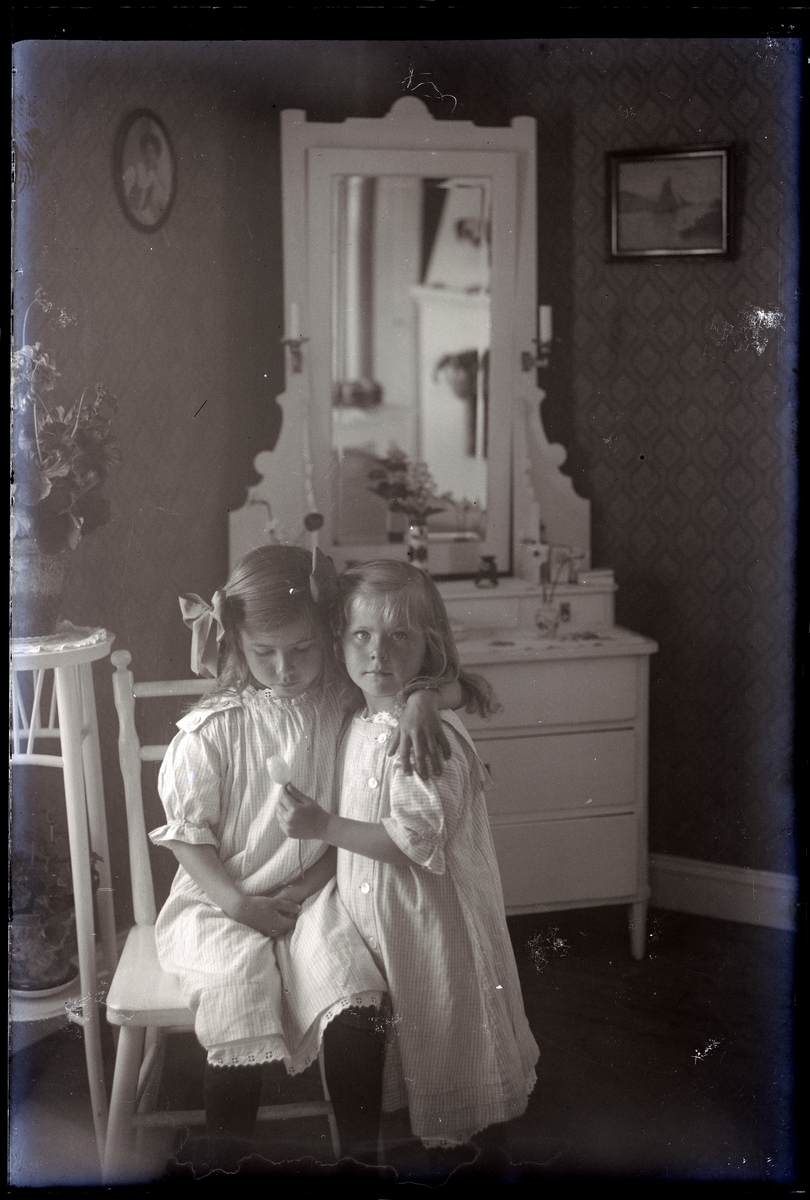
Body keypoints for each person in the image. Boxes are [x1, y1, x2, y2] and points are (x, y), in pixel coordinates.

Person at [149, 545, 462, 1170]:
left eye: (303, 649)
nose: (285, 669)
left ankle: (362, 1160)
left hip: (316, 892)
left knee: (355, 992)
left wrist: (423, 699)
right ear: (237, 643)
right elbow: (186, 835)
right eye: (264, 653)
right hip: (223, 898)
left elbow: (453, 683)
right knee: (237, 996)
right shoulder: (215, 727)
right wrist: (239, 904)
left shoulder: (343, 701)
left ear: (329, 633)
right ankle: (228, 1161)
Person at [278, 559, 540, 1164]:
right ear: (340, 641)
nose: (378, 652)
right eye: (361, 635)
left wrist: (322, 827)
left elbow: (411, 841)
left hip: (433, 921)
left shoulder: (426, 738)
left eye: (400, 636)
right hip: (383, 919)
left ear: (430, 645)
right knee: (408, 1034)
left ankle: (479, 1152)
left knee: (453, 1036)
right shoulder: (360, 715)